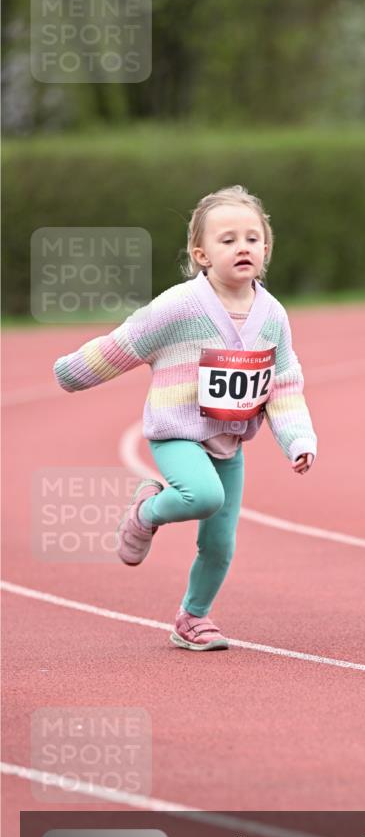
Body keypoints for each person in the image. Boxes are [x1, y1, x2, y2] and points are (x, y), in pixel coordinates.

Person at [53, 185, 317, 652]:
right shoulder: (180, 305)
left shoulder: (272, 315)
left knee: (220, 545)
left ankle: (192, 618)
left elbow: (284, 382)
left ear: (267, 250)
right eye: (228, 239)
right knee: (204, 495)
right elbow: (127, 342)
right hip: (177, 432)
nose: (243, 247)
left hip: (228, 441)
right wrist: (73, 373)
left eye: (253, 239)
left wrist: (297, 440)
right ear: (202, 254)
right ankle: (145, 511)